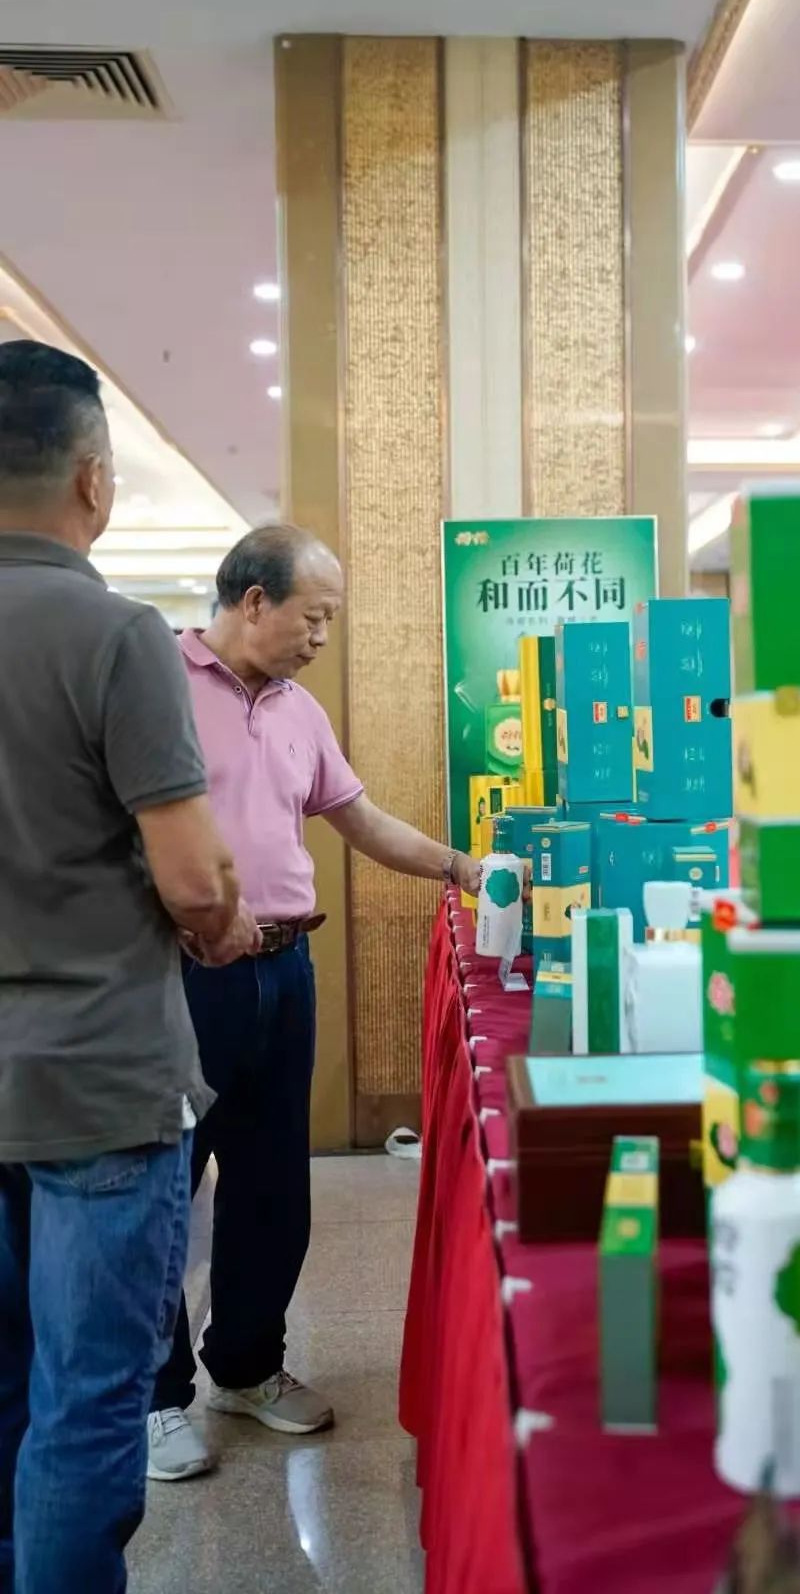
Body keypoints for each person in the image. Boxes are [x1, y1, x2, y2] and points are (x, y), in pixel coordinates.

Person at [0, 340, 260, 1593]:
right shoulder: (114, 635)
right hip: (101, 1077)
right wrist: (220, 933)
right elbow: (198, 877)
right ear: (93, 481)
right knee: (89, 1400)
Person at [148, 524, 483, 1481]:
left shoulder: (298, 710)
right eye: (316, 615)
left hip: (284, 972)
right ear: (255, 600)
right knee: (167, 1195)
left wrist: (460, 866)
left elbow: (359, 820)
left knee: (270, 1188)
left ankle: (247, 1368)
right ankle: (157, 1398)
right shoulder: (158, 685)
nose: (322, 637)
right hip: (185, 974)